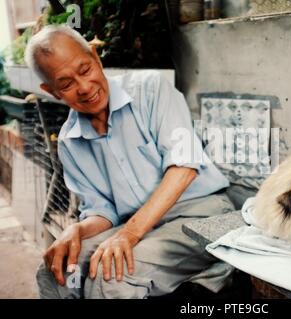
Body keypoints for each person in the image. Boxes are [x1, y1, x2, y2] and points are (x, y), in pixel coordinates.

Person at [24, 25, 234, 299]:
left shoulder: (151, 90)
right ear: (51, 91)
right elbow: (102, 211)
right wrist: (75, 229)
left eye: (85, 70)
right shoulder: (69, 141)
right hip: (138, 227)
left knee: (111, 277)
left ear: (96, 58)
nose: (84, 88)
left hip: (203, 215)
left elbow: (184, 168)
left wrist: (129, 234)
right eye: (66, 83)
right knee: (58, 273)